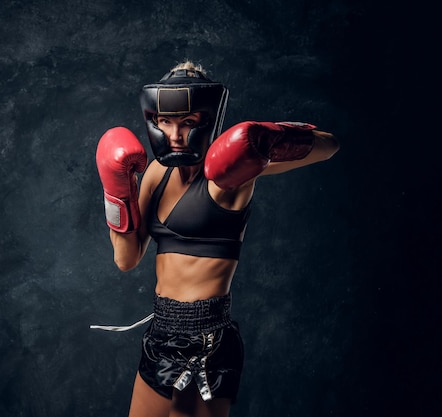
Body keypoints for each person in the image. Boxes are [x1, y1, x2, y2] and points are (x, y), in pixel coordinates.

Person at [94, 61, 340, 417]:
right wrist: (117, 191)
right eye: (166, 122)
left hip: (208, 341)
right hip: (161, 334)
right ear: (154, 120)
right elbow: (126, 259)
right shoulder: (155, 174)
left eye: (188, 123)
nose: (175, 135)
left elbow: (329, 146)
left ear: (207, 120)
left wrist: (268, 138)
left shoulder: (231, 171)